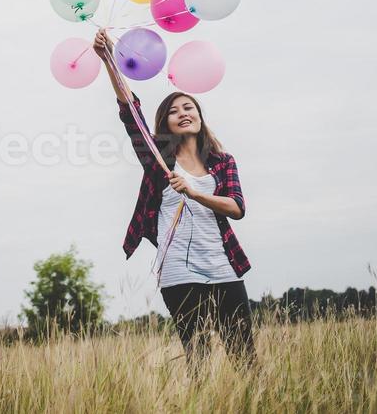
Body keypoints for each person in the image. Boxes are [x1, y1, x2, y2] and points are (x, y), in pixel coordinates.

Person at [93, 27, 256, 376]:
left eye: (189, 107)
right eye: (174, 110)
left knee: (245, 361)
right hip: (179, 275)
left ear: (199, 116)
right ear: (165, 122)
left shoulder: (222, 162)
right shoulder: (158, 160)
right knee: (198, 361)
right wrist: (109, 60)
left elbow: (237, 208)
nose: (183, 112)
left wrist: (194, 192)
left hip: (223, 268)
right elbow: (130, 112)